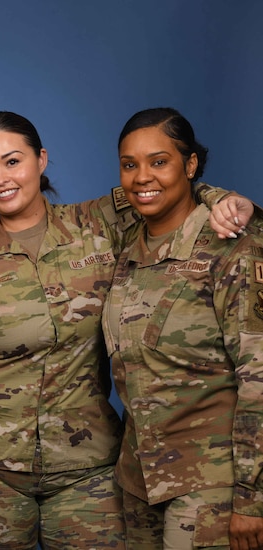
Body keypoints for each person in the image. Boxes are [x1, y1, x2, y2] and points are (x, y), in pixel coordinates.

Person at [0, 111, 250, 550]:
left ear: (41, 160)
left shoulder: (98, 224)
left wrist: (221, 197)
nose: (0, 179)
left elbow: (160, 186)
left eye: (13, 162)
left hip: (87, 471)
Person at [102, 107, 263, 549]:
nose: (141, 177)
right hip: (138, 482)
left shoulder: (233, 248)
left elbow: (259, 379)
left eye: (159, 161)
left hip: (211, 483)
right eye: (129, 164)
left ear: (190, 165)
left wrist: (252, 498)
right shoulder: (126, 246)